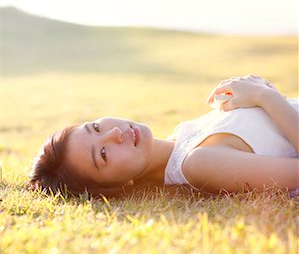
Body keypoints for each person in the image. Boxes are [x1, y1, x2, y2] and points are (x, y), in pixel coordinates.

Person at [28, 75, 299, 198]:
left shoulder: (182, 138)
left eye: (96, 127)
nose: (114, 134)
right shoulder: (198, 163)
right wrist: (265, 96)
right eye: (102, 154)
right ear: (118, 186)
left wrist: (263, 93)